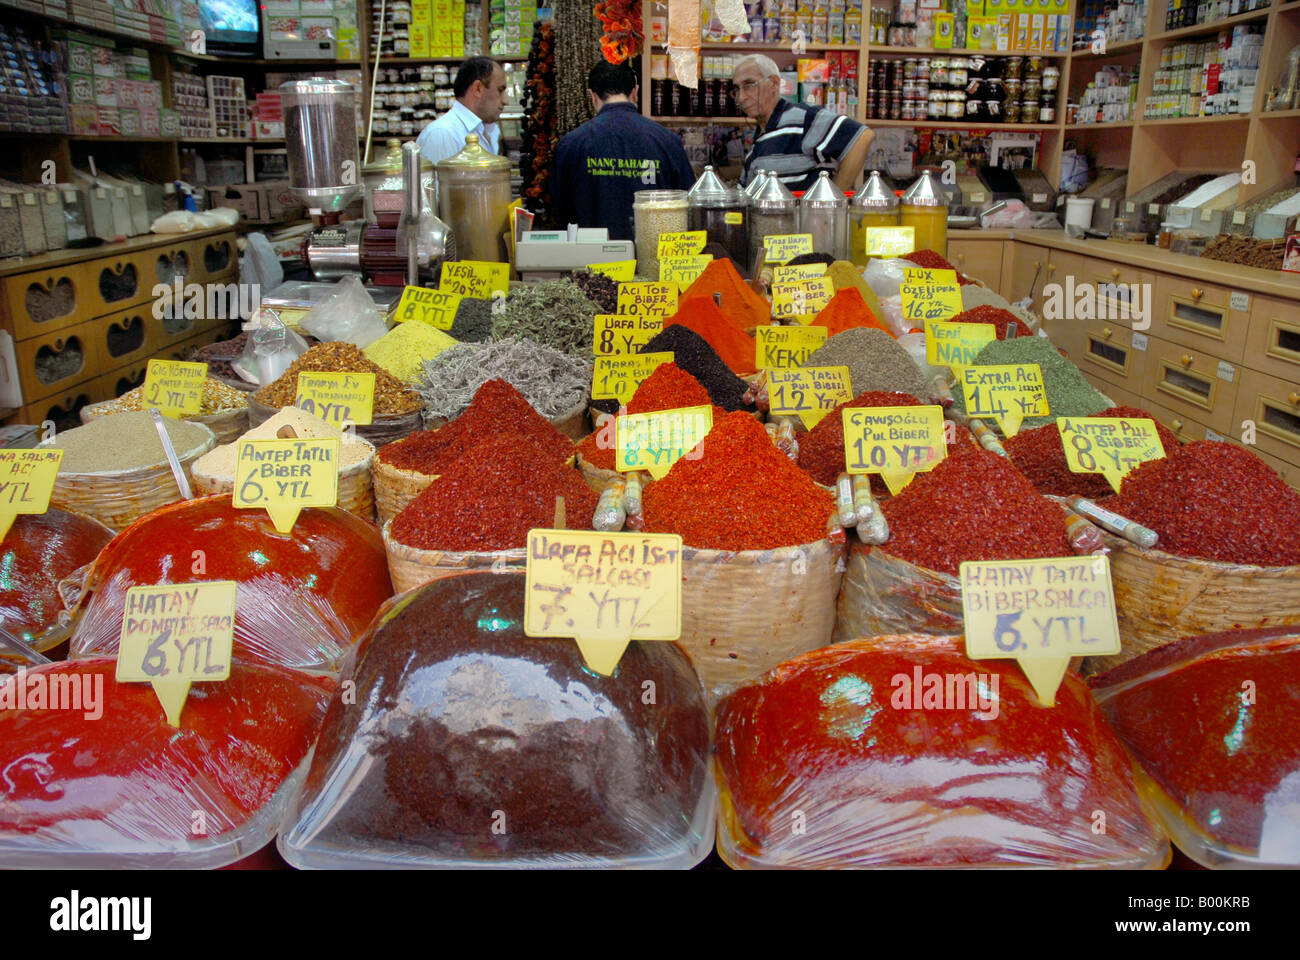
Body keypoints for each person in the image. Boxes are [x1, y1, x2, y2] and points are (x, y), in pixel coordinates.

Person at [551, 61, 696, 240]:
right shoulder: (668, 141)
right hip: (654, 259)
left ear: (593, 96)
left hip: (590, 262)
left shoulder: (570, 145)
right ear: (635, 92)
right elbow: (689, 207)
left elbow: (560, 212)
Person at [731, 54, 873, 193]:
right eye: (737, 89)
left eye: (749, 85)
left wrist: (834, 201)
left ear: (774, 83)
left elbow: (862, 137)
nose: (741, 98)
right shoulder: (758, 143)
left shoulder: (804, 118)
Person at [416, 57, 509, 165]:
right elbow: (439, 181)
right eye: (500, 90)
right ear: (477, 89)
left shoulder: (486, 130)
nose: (506, 101)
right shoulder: (442, 134)